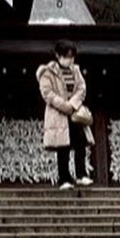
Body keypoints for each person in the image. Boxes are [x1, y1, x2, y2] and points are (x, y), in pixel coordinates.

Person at [37, 38, 92, 189]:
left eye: (72, 56)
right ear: (58, 55)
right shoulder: (47, 72)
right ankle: (64, 179)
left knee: (80, 142)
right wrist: (64, 106)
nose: (69, 59)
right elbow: (48, 94)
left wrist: (72, 104)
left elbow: (82, 89)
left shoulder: (76, 70)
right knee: (63, 147)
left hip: (74, 114)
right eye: (67, 56)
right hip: (58, 115)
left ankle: (81, 174)